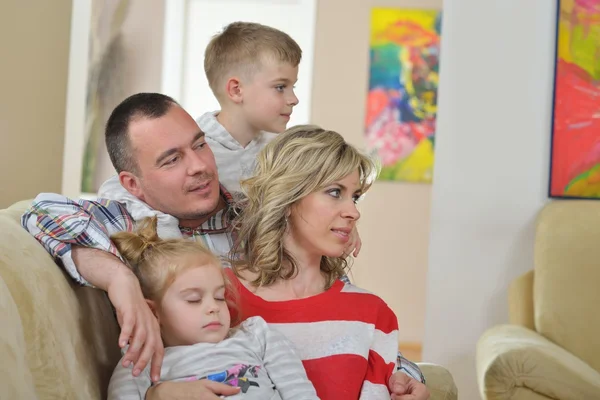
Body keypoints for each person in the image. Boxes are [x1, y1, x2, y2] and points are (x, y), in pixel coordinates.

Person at [21, 94, 428, 399]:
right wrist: (119, 279)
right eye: (171, 160)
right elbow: (39, 213)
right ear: (133, 184)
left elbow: (337, 323)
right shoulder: (130, 224)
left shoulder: (251, 218)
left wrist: (405, 373)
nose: (198, 166)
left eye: (199, 145)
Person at [226, 125, 401, 399]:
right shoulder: (219, 297)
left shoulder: (373, 314)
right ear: (288, 197)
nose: (354, 212)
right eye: (335, 192)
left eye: (354, 197)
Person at [107, 217, 318, 400]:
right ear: (153, 312)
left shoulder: (256, 336)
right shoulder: (141, 360)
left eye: (219, 297)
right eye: (193, 299)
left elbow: (299, 391)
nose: (213, 308)